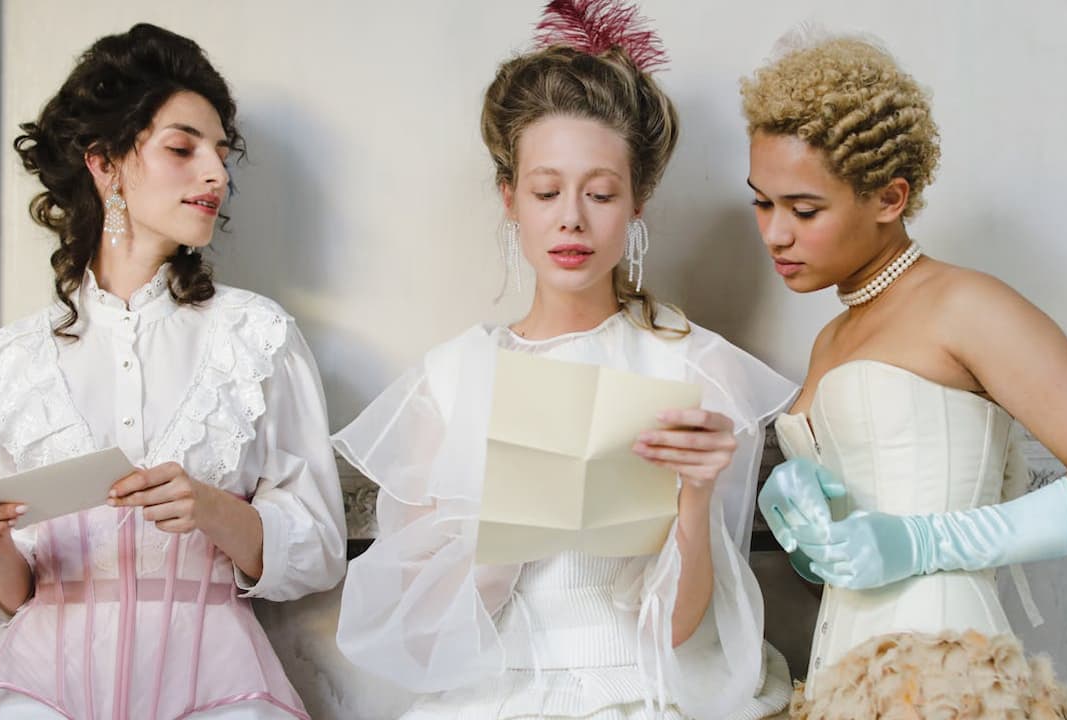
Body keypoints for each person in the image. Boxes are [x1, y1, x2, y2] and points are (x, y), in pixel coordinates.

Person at [332, 2, 796, 717]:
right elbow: (423, 636)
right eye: (547, 191)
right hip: (499, 691)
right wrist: (509, 528)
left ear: (638, 201)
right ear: (510, 196)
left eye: (601, 193)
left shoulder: (695, 368)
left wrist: (696, 498)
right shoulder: (451, 380)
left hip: (645, 690)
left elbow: (680, 631)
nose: (571, 217)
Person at [743, 33, 1067, 718]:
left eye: (804, 209)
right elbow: (859, 550)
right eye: (761, 202)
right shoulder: (832, 337)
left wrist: (926, 541)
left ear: (889, 197)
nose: (774, 234)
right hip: (835, 685)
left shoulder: (968, 305)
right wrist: (809, 541)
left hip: (951, 679)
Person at [0, 23, 346, 719]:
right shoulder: (4, 366)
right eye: (183, 148)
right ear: (105, 164)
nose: (215, 172)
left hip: (219, 688)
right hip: (41, 691)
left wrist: (213, 509)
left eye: (221, 153)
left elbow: (318, 552)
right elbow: (8, 599)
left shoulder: (258, 338)